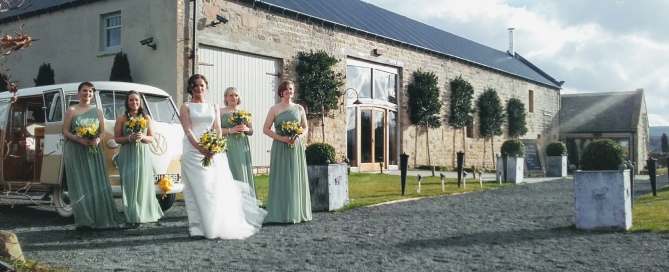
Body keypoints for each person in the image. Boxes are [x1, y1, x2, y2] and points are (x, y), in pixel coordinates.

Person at [179, 74, 266, 240]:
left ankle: (214, 225)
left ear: (206, 87)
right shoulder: (186, 106)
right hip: (192, 150)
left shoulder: (213, 106)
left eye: (202, 85)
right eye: (195, 85)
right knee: (195, 190)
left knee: (212, 188)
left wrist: (214, 146)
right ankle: (197, 228)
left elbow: (217, 128)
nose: (199, 88)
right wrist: (199, 147)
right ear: (190, 88)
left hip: (212, 150)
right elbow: (188, 129)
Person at [62, 82, 124, 230]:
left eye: (90, 91)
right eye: (84, 91)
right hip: (76, 150)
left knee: (96, 182)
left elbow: (102, 131)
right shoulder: (72, 110)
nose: (87, 94)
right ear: (79, 93)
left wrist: (98, 139)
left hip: (94, 150)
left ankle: (99, 216)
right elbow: (65, 131)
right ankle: (84, 219)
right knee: (80, 183)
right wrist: (79, 139)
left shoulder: (97, 111)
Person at [262, 80, 312, 224]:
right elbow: (265, 129)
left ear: (293, 91)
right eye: (285, 89)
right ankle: (280, 213)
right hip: (280, 146)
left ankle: (296, 211)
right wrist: (282, 138)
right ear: (280, 91)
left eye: (290, 89)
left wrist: (299, 136)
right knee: (282, 177)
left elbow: (305, 127)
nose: (288, 91)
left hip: (296, 147)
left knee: (295, 177)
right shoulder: (274, 109)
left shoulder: (299, 108)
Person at [113, 91, 164, 229]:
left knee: (142, 184)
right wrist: (130, 138)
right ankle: (131, 215)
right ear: (127, 102)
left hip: (143, 153)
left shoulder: (146, 117)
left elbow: (152, 137)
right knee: (129, 184)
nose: (134, 103)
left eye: (136, 100)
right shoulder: (121, 118)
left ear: (140, 102)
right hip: (128, 153)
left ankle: (141, 215)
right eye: (131, 100)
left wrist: (142, 137)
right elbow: (117, 138)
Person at [220, 87, 257, 200]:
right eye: (231, 95)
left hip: (241, 145)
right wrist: (231, 130)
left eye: (236, 95)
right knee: (228, 169)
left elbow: (251, 131)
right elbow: (216, 130)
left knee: (241, 170)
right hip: (227, 144)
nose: (234, 97)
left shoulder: (244, 113)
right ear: (225, 97)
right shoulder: (221, 111)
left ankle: (244, 200)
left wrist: (245, 129)